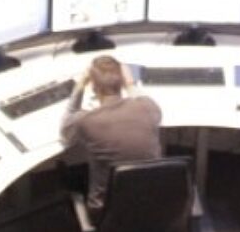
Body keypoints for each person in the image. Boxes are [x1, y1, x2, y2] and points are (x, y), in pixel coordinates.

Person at [60, 55, 163, 214]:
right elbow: (139, 97)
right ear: (122, 82)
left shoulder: (85, 120)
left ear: (94, 87)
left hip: (108, 212)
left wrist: (80, 84)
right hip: (154, 201)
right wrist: (129, 83)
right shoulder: (149, 107)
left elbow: (65, 132)